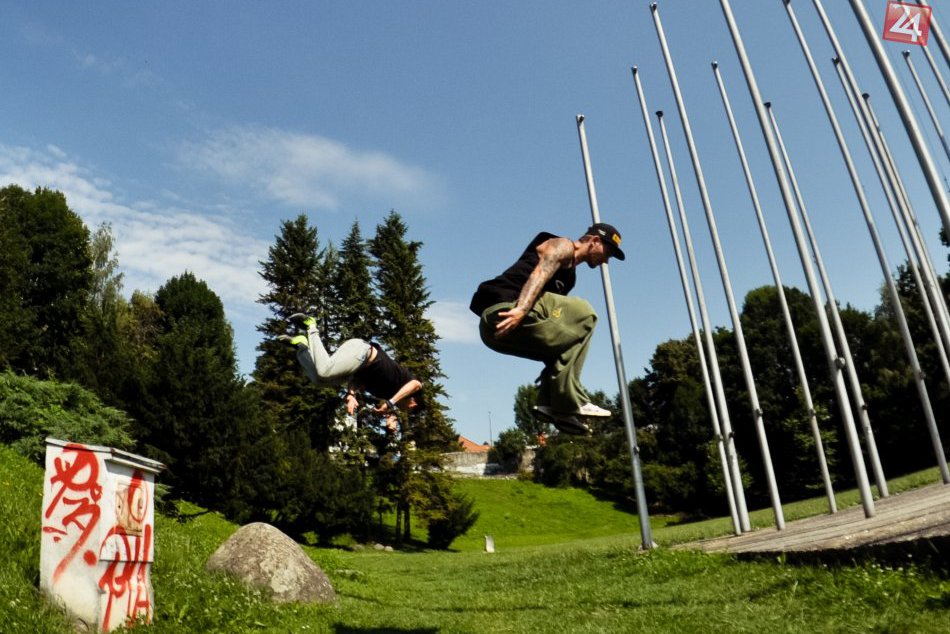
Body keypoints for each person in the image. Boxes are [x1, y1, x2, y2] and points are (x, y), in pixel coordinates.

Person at [469, 223, 626, 435]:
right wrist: (521, 309)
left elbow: (556, 334)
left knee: (570, 339)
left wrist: (550, 374)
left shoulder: (569, 279)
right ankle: (570, 400)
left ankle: (552, 404)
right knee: (586, 314)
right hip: (505, 309)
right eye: (607, 253)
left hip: (496, 335)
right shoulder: (563, 245)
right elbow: (541, 271)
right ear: (595, 241)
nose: (606, 261)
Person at [279, 313, 422, 432]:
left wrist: (351, 394)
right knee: (324, 372)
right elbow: (416, 384)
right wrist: (390, 404)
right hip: (361, 352)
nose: (403, 410)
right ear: (413, 404)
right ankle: (311, 325)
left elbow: (357, 381)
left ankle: (302, 347)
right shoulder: (408, 384)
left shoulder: (384, 393)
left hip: (356, 366)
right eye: (407, 410)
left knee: (318, 380)